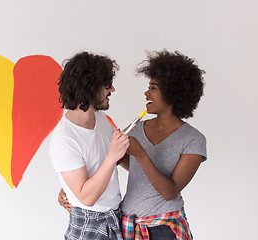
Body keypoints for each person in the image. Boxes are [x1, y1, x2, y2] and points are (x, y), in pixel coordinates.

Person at [59, 50, 206, 240]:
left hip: (164, 229)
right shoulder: (136, 129)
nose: (146, 93)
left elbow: (170, 191)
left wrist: (141, 154)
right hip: (127, 225)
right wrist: (70, 187)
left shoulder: (193, 139)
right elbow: (111, 161)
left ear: (172, 93)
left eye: (153, 88)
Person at [49, 51, 129, 240]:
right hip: (88, 225)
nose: (112, 90)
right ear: (89, 87)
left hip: (115, 218)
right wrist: (112, 157)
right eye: (107, 85)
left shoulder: (102, 120)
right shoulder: (64, 138)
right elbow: (87, 198)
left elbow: (122, 161)